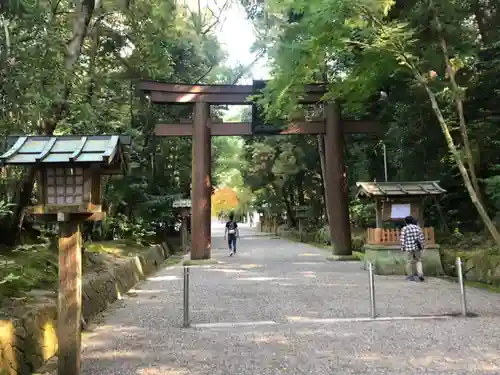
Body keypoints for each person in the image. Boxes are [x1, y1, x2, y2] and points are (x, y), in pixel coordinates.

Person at [400, 216, 425, 281]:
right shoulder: (418, 228)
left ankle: (410, 276)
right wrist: (422, 246)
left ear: (406, 222)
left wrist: (402, 248)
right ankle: (420, 274)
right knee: (418, 260)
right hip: (417, 247)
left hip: (408, 248)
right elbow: (421, 238)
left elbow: (403, 239)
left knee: (409, 261)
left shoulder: (404, 228)